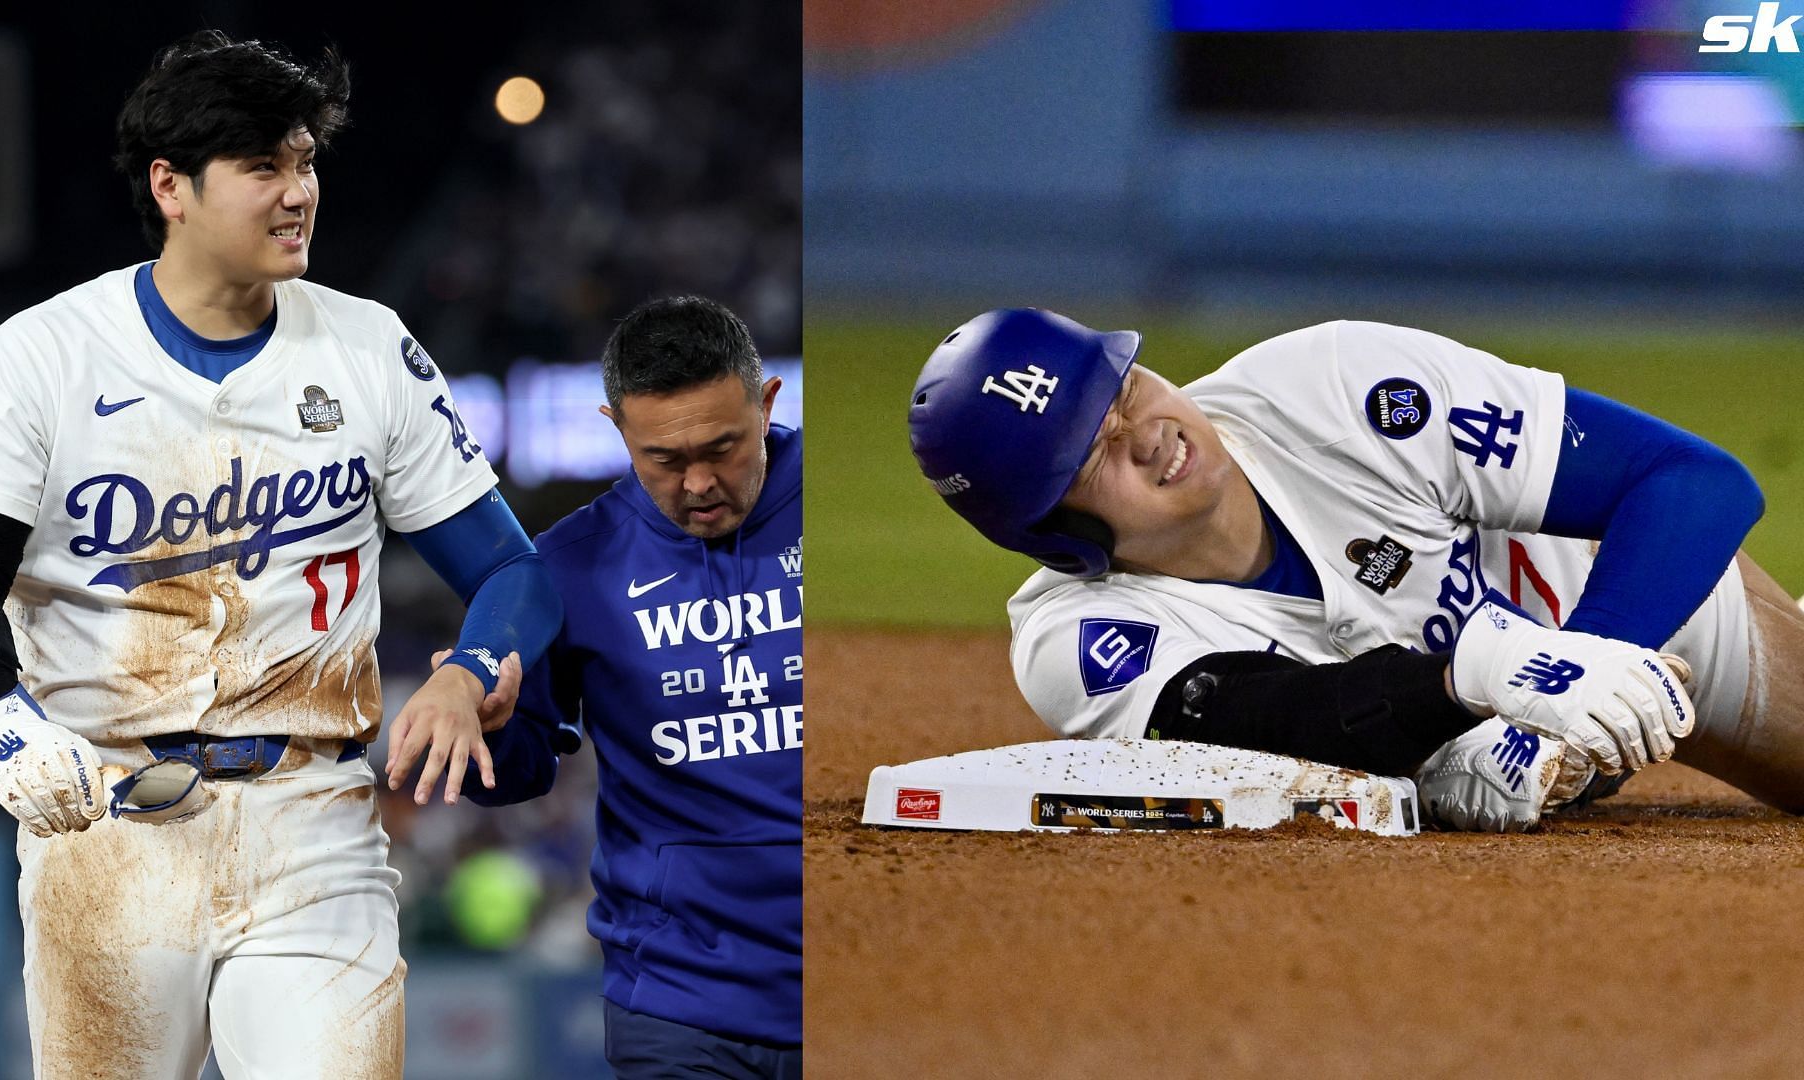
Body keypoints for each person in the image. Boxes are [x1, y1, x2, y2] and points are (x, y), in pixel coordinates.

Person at [0, 32, 558, 1077]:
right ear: (171, 185)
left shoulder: (367, 345)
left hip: (317, 824)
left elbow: (515, 571)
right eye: (263, 166)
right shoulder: (48, 353)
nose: (297, 192)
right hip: (108, 828)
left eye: (304, 162)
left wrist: (473, 668)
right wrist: (0, 725)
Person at [908, 308, 1804, 832]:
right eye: (1088, 454)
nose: (1145, 433)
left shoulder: (1334, 387)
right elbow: (1273, 721)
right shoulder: (1078, 641)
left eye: (1122, 389)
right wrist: (1466, 686)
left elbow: (1694, 480)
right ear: (1057, 537)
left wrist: (1568, 680)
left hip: (1636, 597)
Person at [469, 296, 803, 1078]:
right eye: (663, 458)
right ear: (616, 427)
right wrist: (491, 730)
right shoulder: (569, 565)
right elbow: (520, 774)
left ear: (767, 403)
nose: (698, 483)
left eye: (724, 447)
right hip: (680, 1008)